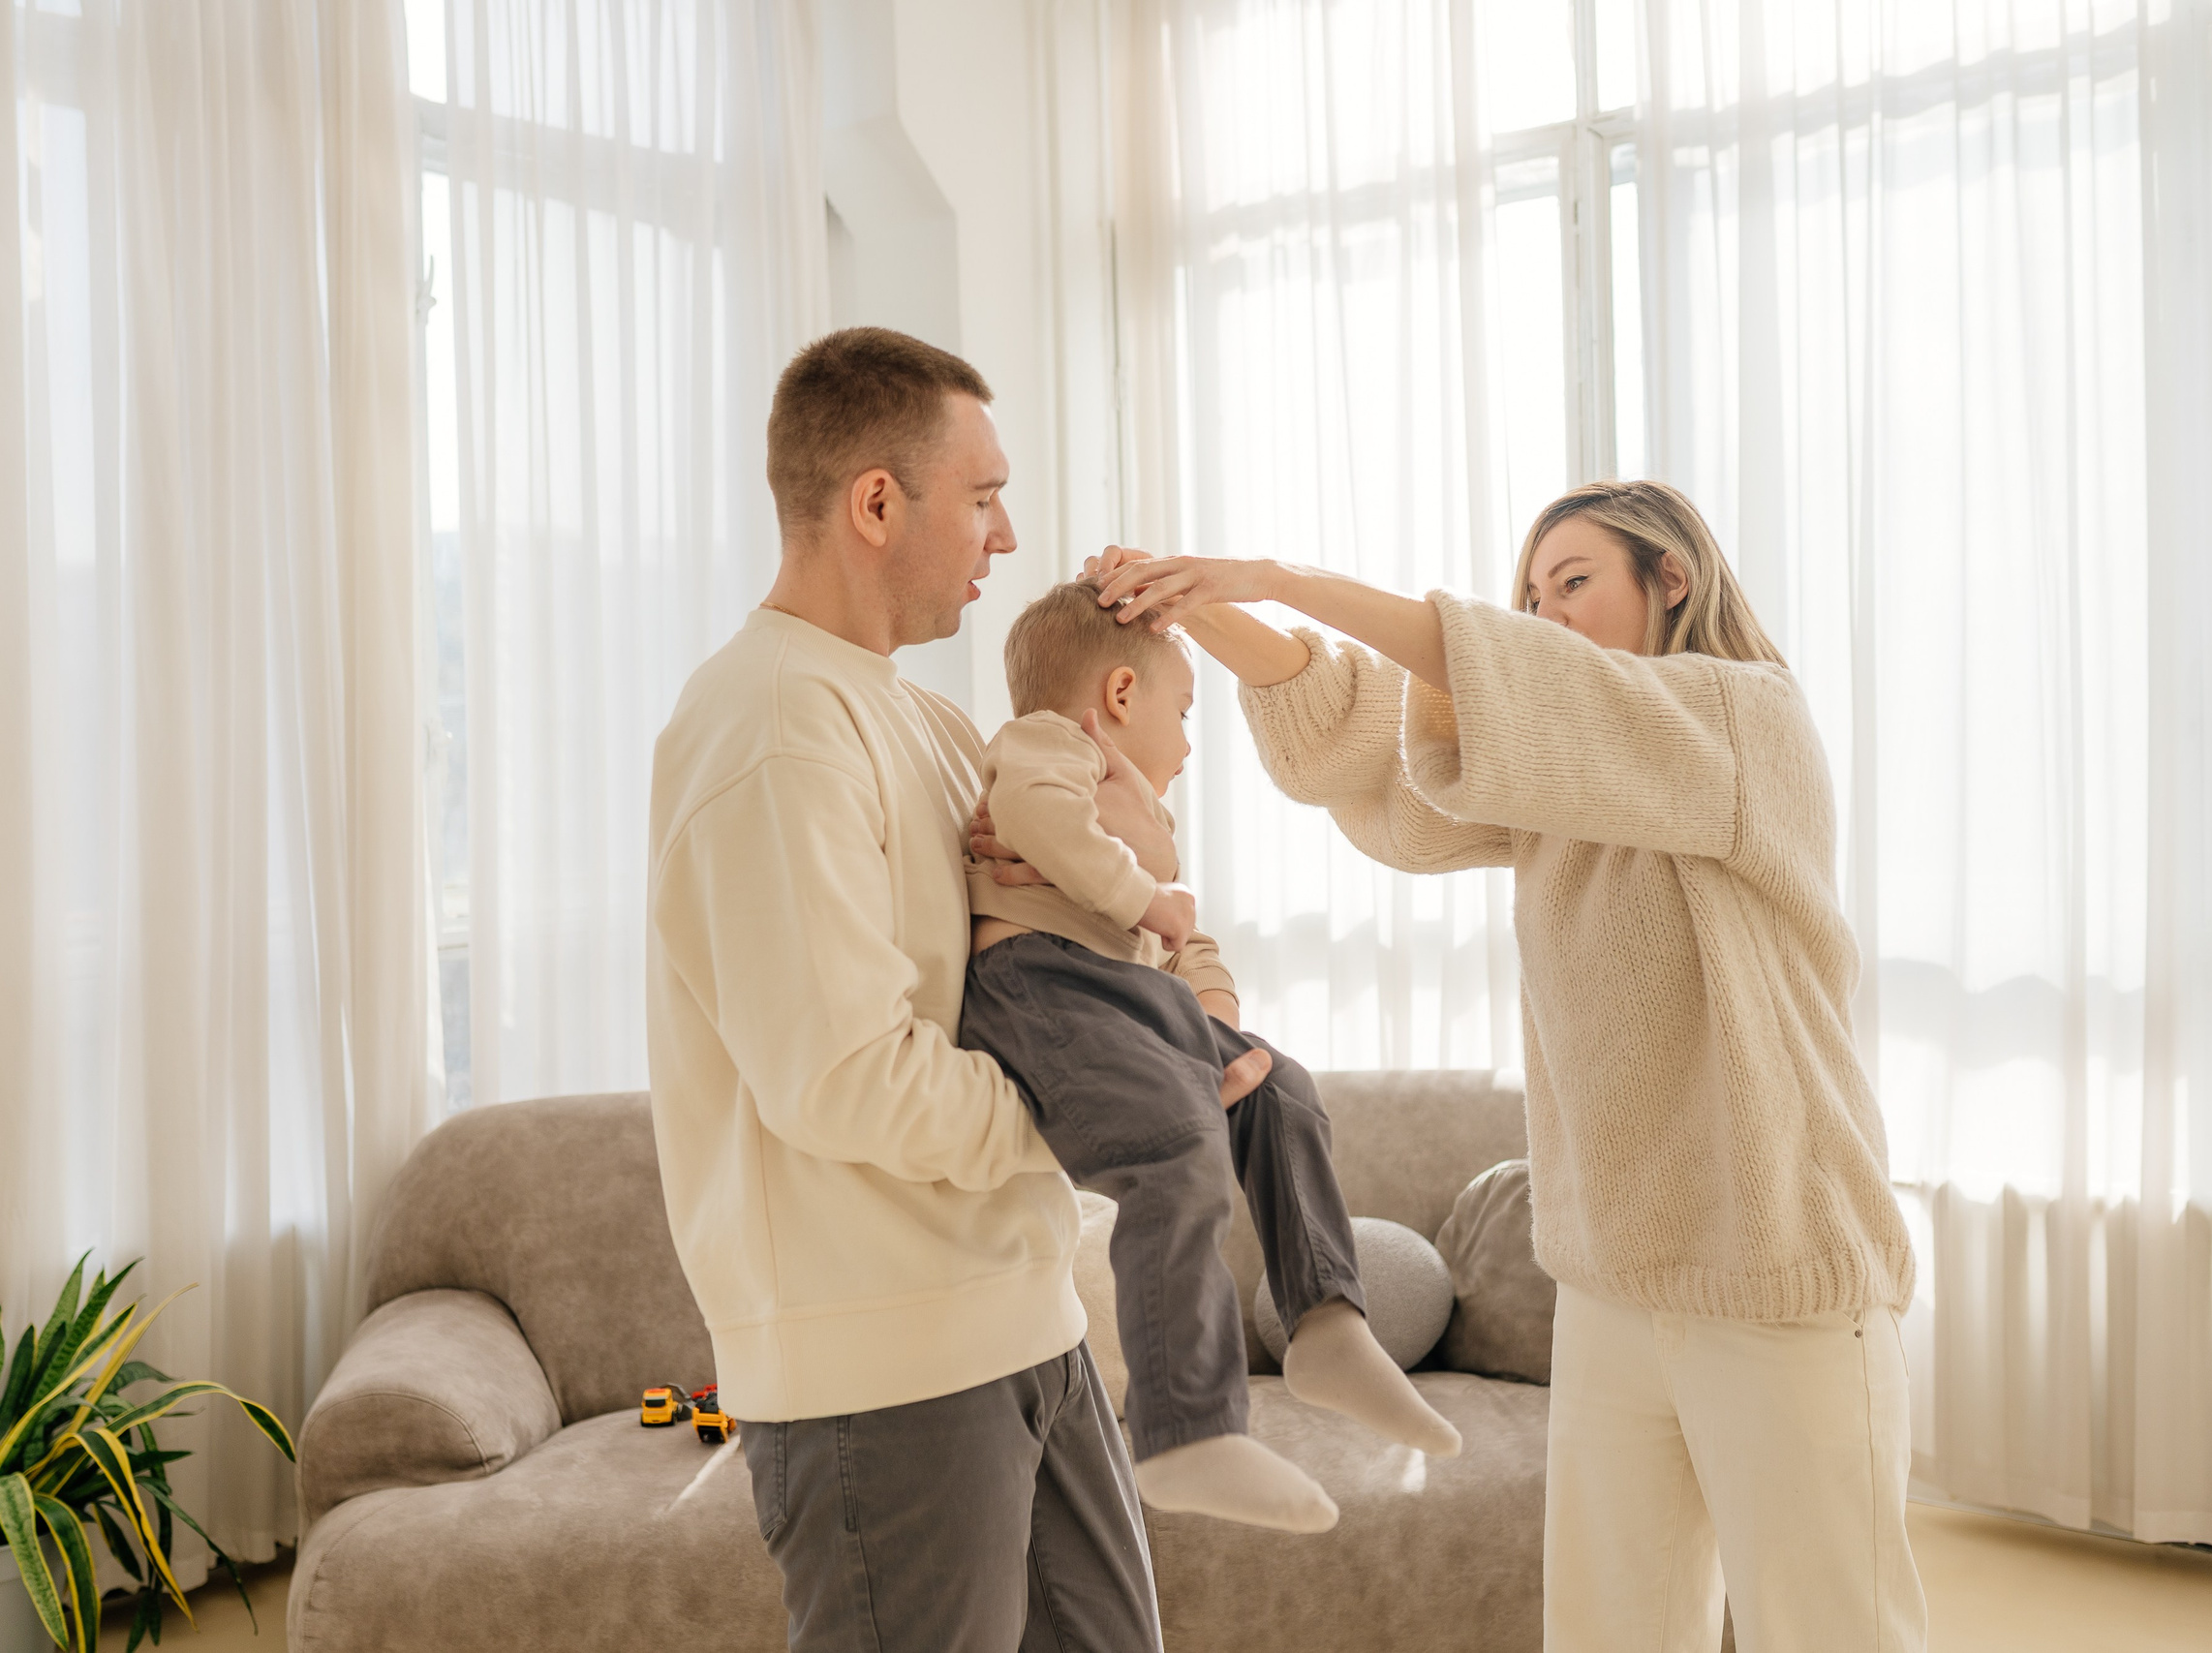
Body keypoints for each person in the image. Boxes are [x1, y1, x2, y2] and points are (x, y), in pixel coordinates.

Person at [1083, 480, 1926, 1653]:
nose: (1542, 614)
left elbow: (1522, 686)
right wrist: (1197, 608)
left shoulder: (1743, 719)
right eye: (1528, 596)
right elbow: (1372, 743)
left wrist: (1266, 575)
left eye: (1572, 583)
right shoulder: (1549, 789)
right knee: (1608, 1627)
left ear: (1670, 577)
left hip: (1777, 1272)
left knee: (1834, 1627)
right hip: (1616, 1279)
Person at [647, 326, 1267, 1653]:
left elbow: (1058, 957)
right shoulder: (769, 726)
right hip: (884, 1369)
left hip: (1021, 1324)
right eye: (981, 497)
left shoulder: (926, 724)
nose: (1006, 535)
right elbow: (847, 1077)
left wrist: (1169, 1000)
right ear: (877, 502)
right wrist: (1123, 1108)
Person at [957, 579, 1461, 1536]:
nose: (1187, 745)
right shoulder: (1051, 747)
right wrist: (1142, 898)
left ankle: (1326, 1324)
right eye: (1182, 713)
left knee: (1282, 1090)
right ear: (1116, 698)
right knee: (1173, 1154)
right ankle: (1183, 1431)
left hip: (1122, 994)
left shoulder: (1134, 810)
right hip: (1041, 985)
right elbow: (1038, 821)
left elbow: (1184, 944)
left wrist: (1211, 1012)